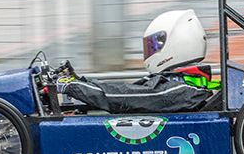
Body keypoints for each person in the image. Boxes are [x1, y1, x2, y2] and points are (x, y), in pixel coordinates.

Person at [59, 9, 221, 114]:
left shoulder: (180, 89)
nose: (150, 51)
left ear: (175, 43)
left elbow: (125, 96)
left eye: (153, 45)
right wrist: (82, 82)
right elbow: (131, 89)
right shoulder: (181, 83)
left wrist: (73, 86)